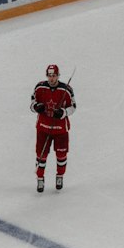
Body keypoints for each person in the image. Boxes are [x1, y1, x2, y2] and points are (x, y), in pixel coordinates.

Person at [30, 62, 75, 191]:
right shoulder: (39, 87)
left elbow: (73, 107)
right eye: (49, 75)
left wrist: (63, 113)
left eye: (54, 75)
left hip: (60, 130)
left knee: (61, 156)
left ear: (58, 75)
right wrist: (36, 107)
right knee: (41, 155)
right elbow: (32, 103)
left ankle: (60, 176)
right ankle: (40, 178)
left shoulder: (66, 90)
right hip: (43, 128)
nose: (51, 78)